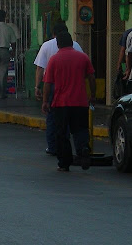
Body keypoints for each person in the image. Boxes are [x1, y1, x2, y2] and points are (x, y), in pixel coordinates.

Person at [42, 31, 96, 172]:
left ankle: (64, 163)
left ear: (58, 44)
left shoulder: (54, 60)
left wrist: (45, 101)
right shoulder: (83, 57)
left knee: (61, 134)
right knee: (80, 130)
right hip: (80, 102)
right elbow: (91, 77)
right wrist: (93, 95)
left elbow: (47, 83)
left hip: (61, 103)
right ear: (71, 42)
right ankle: (83, 149)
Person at [34, 22, 84, 155]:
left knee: (52, 117)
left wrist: (37, 87)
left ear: (53, 34)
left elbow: (40, 68)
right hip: (74, 86)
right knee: (75, 119)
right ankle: (80, 148)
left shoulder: (46, 45)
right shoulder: (76, 45)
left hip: (52, 85)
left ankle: (53, 147)